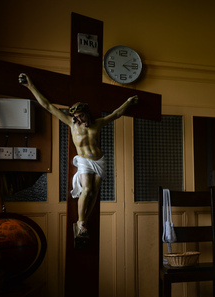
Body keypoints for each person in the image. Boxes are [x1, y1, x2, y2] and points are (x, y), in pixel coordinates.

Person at [19, 73, 137, 237]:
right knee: (87, 190)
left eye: (81, 115)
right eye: (76, 117)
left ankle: (84, 221)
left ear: (87, 112)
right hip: (84, 162)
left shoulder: (98, 123)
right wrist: (29, 85)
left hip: (99, 160)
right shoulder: (71, 124)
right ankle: (81, 222)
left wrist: (128, 103)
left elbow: (116, 114)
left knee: (95, 192)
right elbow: (47, 105)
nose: (79, 119)